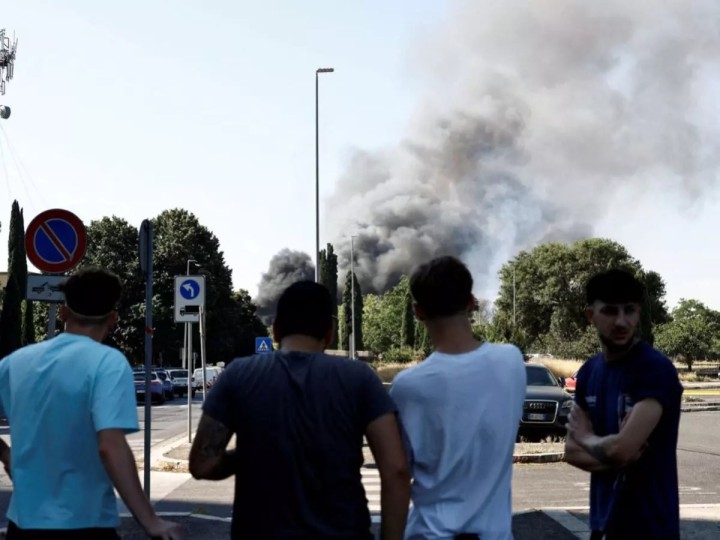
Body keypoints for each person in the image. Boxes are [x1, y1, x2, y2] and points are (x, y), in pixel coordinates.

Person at [189, 280, 410, 540]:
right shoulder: (360, 379)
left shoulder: (237, 375)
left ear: (275, 330)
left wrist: (253, 452)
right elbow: (396, 469)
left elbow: (202, 464)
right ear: (330, 333)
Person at [0, 267, 184, 540]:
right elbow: (111, 446)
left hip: (23, 525)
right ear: (113, 318)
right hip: (85, 523)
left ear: (63, 313)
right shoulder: (108, 363)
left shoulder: (14, 363)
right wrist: (151, 521)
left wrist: (6, 455)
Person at [389, 256, 527, 540]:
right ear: (471, 302)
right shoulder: (511, 362)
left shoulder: (407, 386)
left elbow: (399, 471)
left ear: (418, 311)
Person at [565, 268, 683, 540]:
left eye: (629, 310)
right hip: (603, 527)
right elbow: (572, 451)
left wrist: (588, 438)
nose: (621, 321)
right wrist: (616, 453)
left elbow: (620, 449)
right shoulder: (589, 372)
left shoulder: (654, 370)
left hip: (651, 530)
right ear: (590, 315)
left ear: (638, 313)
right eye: (609, 311)